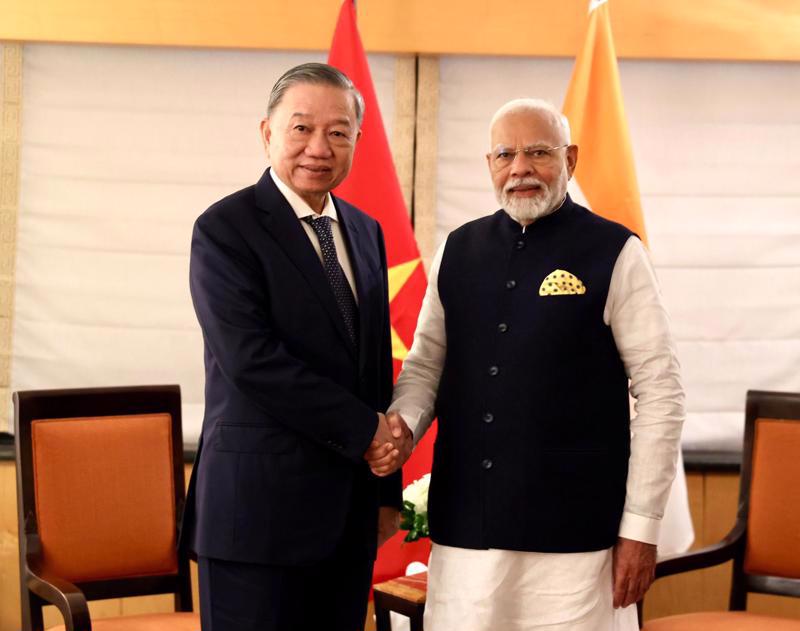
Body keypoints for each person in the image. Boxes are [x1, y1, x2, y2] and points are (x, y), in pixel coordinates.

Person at [371, 98, 685, 630]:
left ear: (571, 159)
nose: (520, 168)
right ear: (489, 165)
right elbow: (425, 368)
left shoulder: (616, 252)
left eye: (539, 152)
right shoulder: (457, 249)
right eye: (505, 154)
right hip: (466, 535)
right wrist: (400, 428)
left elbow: (661, 392)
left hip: (577, 544)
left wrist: (641, 528)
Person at [184, 62, 412, 631]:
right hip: (255, 519)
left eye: (338, 132)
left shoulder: (365, 231)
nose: (319, 147)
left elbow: (371, 368)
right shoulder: (225, 229)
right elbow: (251, 361)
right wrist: (367, 432)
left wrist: (385, 489)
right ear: (267, 132)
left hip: (346, 519)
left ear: (358, 140)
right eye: (301, 128)